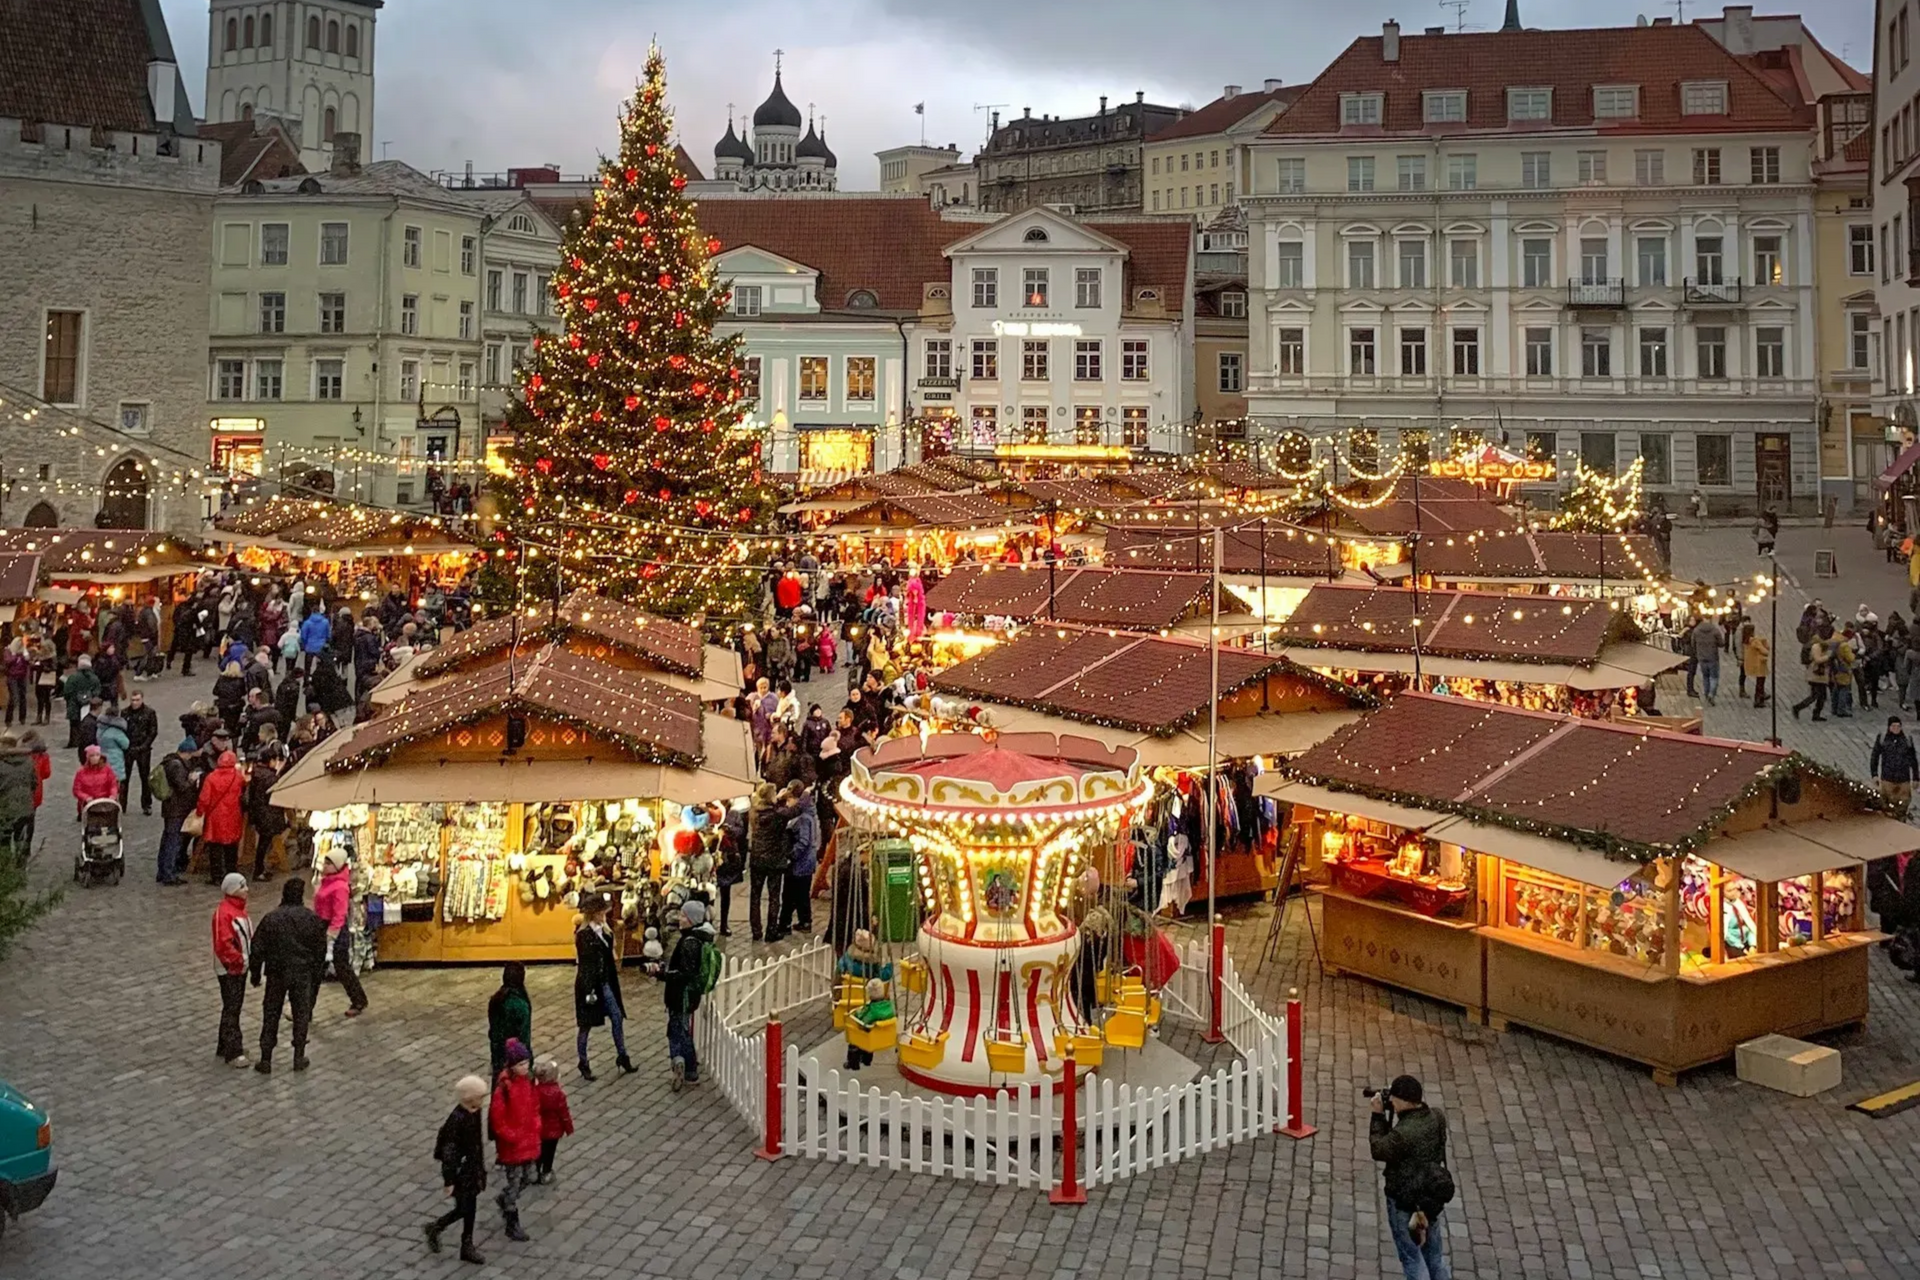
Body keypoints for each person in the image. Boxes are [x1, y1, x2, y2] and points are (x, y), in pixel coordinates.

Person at [1369, 1074, 1454, 1280]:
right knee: (1434, 1257)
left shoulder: (1403, 1134)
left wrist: (1378, 1116)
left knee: (1412, 1259)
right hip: (1429, 1198)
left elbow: (1379, 1149)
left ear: (1403, 1101)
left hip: (1404, 1202)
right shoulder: (1437, 1116)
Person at [249, 876, 327, 1073]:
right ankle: (298, 1056)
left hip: (276, 973)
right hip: (302, 974)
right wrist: (316, 974)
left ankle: (266, 1057)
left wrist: (255, 974)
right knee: (301, 1013)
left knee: (271, 1013)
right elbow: (320, 951)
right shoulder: (311, 919)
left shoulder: (271, 919)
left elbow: (257, 948)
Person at [424, 1075, 490, 1265]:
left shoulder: (474, 1112)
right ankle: (438, 1228)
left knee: (469, 1208)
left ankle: (465, 1243)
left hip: (472, 1168)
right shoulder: (457, 1121)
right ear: (470, 1098)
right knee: (464, 1208)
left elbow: (476, 1144)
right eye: (480, 1096)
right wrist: (449, 1180)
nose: (483, 1100)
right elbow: (449, 1154)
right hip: (461, 1172)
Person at [572, 893, 633, 1080]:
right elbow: (586, 964)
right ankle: (583, 1062)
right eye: (601, 912)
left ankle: (622, 1055)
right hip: (589, 985)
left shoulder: (605, 931)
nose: (604, 915)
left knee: (616, 1016)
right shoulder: (583, 935)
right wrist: (589, 990)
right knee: (586, 1025)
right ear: (594, 914)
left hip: (606, 983)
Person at [488, 1038, 538, 1243]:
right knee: (516, 1181)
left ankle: (506, 1197)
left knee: (530, 1177)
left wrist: (536, 1125)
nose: (525, 1067)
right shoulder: (504, 1089)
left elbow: (534, 1106)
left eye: (526, 1063)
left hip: (529, 1140)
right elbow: (497, 1119)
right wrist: (512, 1136)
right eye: (520, 1064)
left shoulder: (529, 1081)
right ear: (512, 1065)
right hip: (513, 1146)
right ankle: (511, 1219)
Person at [663, 900, 716, 1089]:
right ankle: (683, 1064)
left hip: (682, 995)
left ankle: (686, 1066)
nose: (680, 919)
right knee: (678, 1028)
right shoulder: (696, 938)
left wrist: (664, 974)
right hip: (687, 995)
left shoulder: (689, 942)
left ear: (692, 920)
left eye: (684, 916)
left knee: (679, 1030)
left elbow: (685, 973)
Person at [312, 847, 368, 1016]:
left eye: (329, 863)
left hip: (334, 930)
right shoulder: (326, 880)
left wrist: (331, 936)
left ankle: (358, 1000)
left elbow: (339, 914)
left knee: (340, 967)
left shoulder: (340, 887)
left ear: (337, 866)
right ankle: (304, 1010)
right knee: (316, 969)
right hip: (322, 926)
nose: (325, 865)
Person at [211, 873, 253, 1068]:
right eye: (242, 886)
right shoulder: (225, 912)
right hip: (230, 969)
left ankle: (224, 1045)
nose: (247, 890)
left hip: (238, 967)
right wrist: (238, 961)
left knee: (232, 1006)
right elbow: (223, 944)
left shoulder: (236, 909)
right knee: (232, 1009)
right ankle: (233, 1051)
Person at [746, 782, 791, 942]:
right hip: (774, 861)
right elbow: (791, 812)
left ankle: (756, 931)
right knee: (774, 897)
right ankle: (771, 931)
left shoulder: (754, 812)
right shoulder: (777, 816)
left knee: (755, 896)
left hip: (757, 858)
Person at [196, 748, 248, 884]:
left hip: (215, 816)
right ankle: (231, 872)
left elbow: (204, 799)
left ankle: (216, 876)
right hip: (233, 815)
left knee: (215, 847)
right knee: (231, 846)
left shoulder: (211, 778)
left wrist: (200, 812)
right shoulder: (237, 777)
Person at [779, 783, 820, 937]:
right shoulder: (809, 814)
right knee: (801, 894)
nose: (788, 804)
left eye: (789, 801)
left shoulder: (803, 818)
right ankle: (804, 921)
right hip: (806, 862)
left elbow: (803, 841)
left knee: (793, 895)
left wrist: (791, 855)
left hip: (800, 864)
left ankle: (791, 923)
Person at [487, 961, 533, 1078]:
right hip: (515, 1061)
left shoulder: (496, 1000)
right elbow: (524, 1037)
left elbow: (493, 1032)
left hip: (498, 1056)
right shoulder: (520, 1005)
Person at [533, 1056, 573, 1185]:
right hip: (553, 1130)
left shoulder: (536, 1092)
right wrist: (568, 1127)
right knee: (549, 1153)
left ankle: (535, 1172)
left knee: (539, 1152)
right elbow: (563, 1112)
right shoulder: (558, 1093)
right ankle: (546, 1172)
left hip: (539, 1129)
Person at [1872, 717, 1920, 819]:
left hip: (1903, 779)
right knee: (1886, 804)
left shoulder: (1907, 740)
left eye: (1898, 726)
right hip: (1887, 778)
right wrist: (1874, 774)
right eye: (1893, 726)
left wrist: (1916, 777)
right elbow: (1875, 756)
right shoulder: (1883, 739)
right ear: (1889, 727)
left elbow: (1913, 759)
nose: (1896, 728)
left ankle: (1900, 819)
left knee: (1904, 803)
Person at [122, 689, 158, 816]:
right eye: (132, 700)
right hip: (129, 749)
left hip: (143, 750)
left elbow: (153, 732)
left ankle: (146, 804)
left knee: (145, 777)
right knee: (124, 778)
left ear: (142, 699)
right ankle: (122, 804)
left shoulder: (149, 713)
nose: (135, 703)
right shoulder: (125, 713)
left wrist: (144, 746)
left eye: (137, 700)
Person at [58, 655, 98, 748]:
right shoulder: (94, 678)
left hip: (73, 703)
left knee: (74, 724)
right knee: (86, 722)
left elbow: (67, 691)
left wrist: (69, 699)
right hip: (88, 703)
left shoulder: (73, 677)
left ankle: (73, 742)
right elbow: (97, 691)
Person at [95, 707, 130, 808]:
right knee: (115, 785)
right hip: (115, 760)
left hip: (102, 757)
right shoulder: (116, 731)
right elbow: (126, 744)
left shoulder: (100, 727)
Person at [1744, 629, 1770, 710]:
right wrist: (1765, 645)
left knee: (1760, 682)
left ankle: (1760, 697)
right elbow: (1765, 651)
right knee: (1760, 683)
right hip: (1759, 664)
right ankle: (1758, 700)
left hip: (1754, 664)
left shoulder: (1746, 641)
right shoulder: (1755, 641)